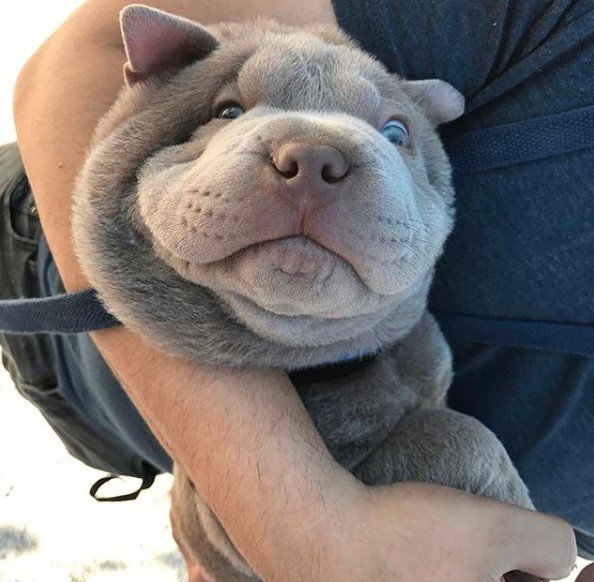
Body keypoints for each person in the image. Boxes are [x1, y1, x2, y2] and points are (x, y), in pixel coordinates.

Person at [1, 0, 593, 579]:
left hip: (109, 439)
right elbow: (87, 48)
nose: (315, 165)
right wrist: (298, 525)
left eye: (391, 133)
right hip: (31, 244)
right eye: (231, 111)